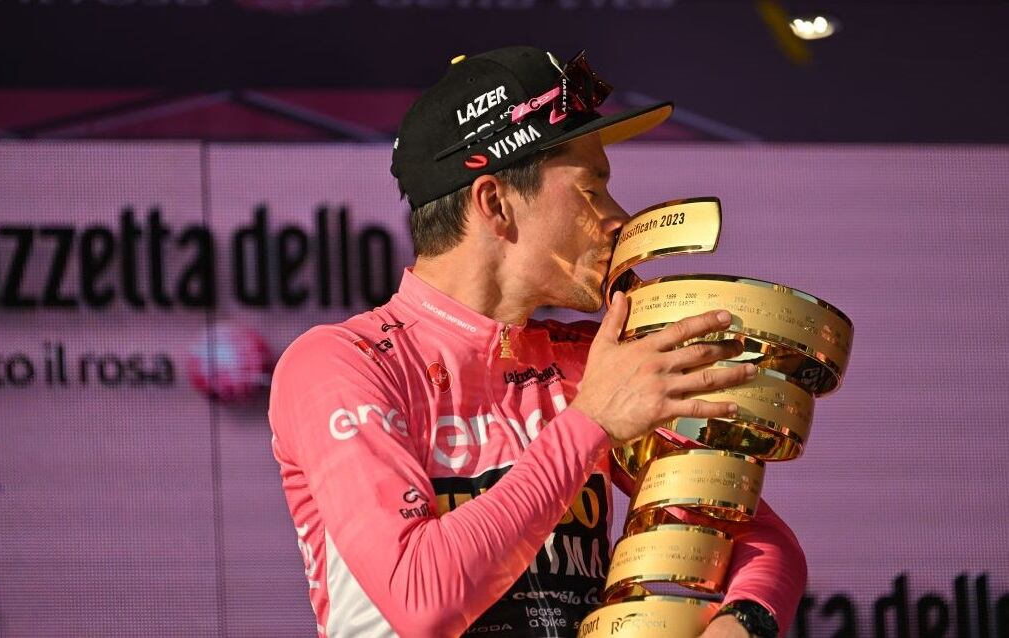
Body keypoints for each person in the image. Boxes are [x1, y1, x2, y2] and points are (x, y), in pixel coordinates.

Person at [268, 46, 806, 638]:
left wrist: (743, 623)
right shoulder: (343, 364)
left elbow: (753, 534)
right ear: (495, 203)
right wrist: (590, 421)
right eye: (592, 190)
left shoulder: (588, 360)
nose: (619, 219)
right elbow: (423, 600)